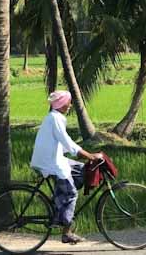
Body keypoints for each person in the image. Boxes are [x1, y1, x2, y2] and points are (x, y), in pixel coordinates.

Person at [30, 90, 102, 244]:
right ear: (62, 104)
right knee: (71, 194)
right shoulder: (55, 119)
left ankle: (58, 200)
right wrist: (89, 155)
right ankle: (66, 232)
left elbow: (61, 143)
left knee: (81, 170)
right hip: (50, 161)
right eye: (68, 103)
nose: (70, 106)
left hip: (53, 157)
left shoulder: (55, 118)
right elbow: (67, 142)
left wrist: (77, 152)